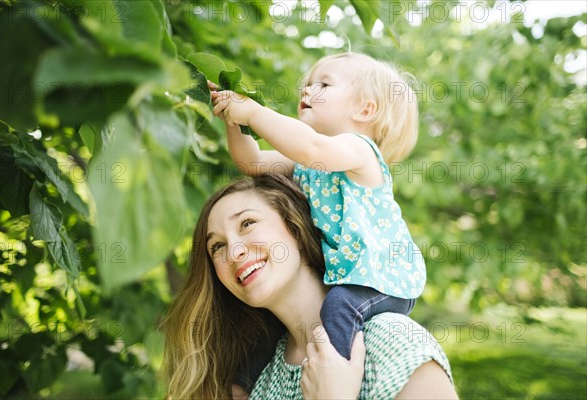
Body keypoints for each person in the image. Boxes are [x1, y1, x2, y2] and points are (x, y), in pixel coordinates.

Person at [210, 52, 426, 390]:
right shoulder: (307, 163)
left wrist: (252, 111)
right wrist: (234, 118)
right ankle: (242, 388)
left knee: (337, 308)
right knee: (274, 327)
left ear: (364, 110)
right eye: (307, 85)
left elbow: (311, 148)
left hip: (384, 278)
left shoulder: (359, 152)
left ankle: (335, 379)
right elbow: (250, 162)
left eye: (323, 84)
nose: (307, 91)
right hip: (353, 276)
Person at [161, 174, 457, 399]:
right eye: (217, 246)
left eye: (247, 223)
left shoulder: (390, 342)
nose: (234, 251)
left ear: (294, 226)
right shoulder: (261, 382)